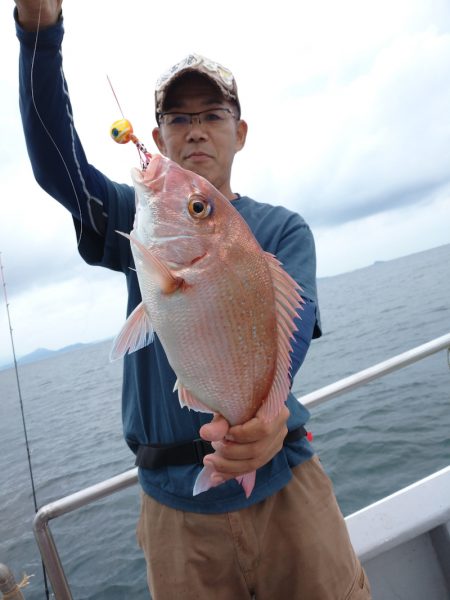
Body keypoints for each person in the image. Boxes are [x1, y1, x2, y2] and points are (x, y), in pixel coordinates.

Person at [14, 2, 371, 599]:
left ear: (241, 130)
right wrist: (39, 36)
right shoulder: (137, 222)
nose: (196, 129)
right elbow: (58, 164)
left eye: (212, 113)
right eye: (178, 119)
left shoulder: (280, 230)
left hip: (286, 483)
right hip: (174, 511)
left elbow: (293, 329)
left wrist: (264, 420)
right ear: (155, 138)